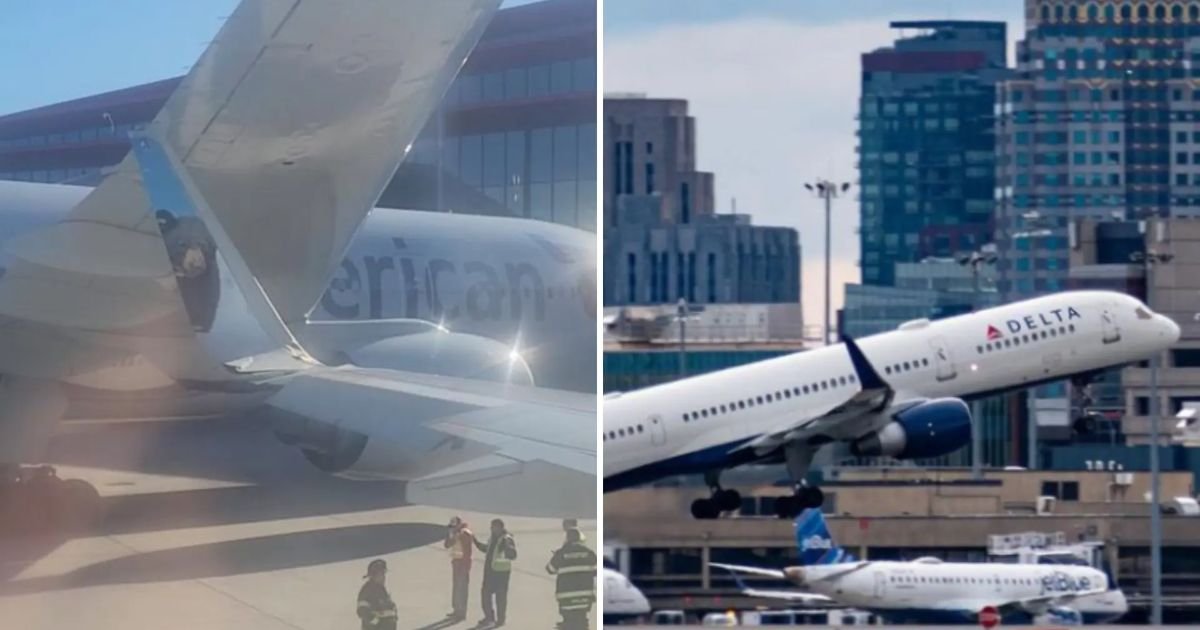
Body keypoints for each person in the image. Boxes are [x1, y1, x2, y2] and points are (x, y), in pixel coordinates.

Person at [545, 528, 596, 630]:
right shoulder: (589, 553)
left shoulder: (561, 553)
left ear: (567, 538)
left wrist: (557, 556)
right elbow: (597, 571)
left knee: (569, 621)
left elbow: (550, 569)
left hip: (566, 596)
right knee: (582, 620)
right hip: (585, 596)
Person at [473, 518, 518, 628]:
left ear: (500, 527)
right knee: (485, 596)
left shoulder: (506, 539)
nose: (491, 529)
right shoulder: (493, 538)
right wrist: (475, 541)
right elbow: (486, 549)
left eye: (493, 527)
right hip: (490, 572)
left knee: (500, 598)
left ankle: (500, 619)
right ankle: (489, 617)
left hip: (501, 574)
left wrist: (509, 549)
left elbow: (513, 554)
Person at [444, 516, 474, 622]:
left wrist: (466, 566)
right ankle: (457, 610)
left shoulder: (465, 533)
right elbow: (447, 545)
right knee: (456, 587)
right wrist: (449, 534)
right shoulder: (455, 533)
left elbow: (468, 551)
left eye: (453, 526)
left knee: (462, 588)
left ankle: (461, 612)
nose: (452, 528)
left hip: (463, 563)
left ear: (458, 525)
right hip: (456, 563)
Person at [357, 559, 398, 630]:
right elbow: (362, 610)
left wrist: (394, 615)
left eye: (384, 573)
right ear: (373, 575)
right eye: (381, 574)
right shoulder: (367, 590)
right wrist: (376, 623)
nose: (384, 577)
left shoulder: (381, 590)